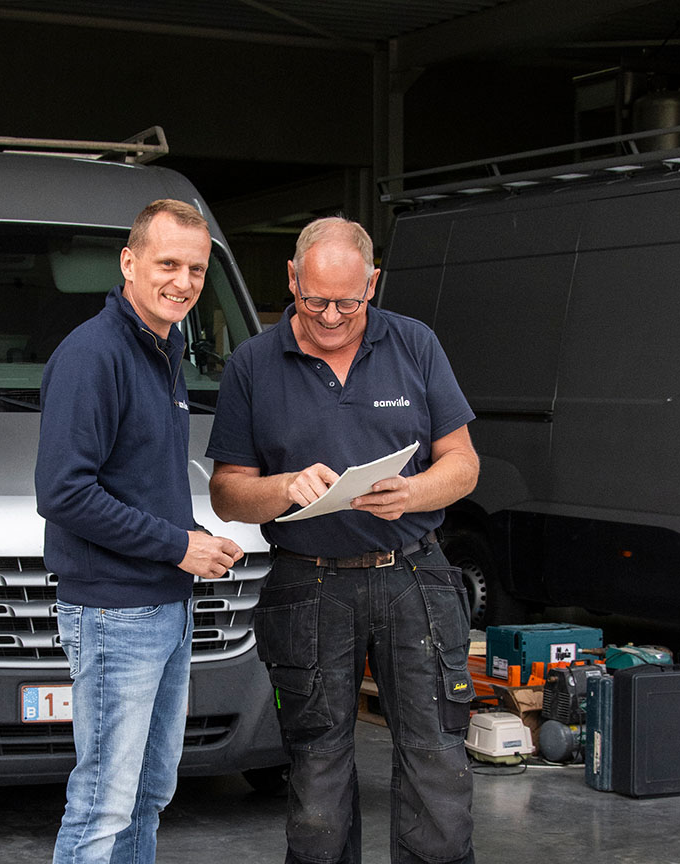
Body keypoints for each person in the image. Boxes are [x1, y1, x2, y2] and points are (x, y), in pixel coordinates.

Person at [206, 216, 480, 864]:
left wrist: (415, 492)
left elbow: (463, 464)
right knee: (318, 775)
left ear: (373, 284)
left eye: (349, 302)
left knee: (437, 763)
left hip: (412, 574)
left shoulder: (415, 345)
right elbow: (226, 491)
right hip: (309, 584)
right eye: (315, 300)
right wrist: (284, 489)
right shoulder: (252, 365)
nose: (331, 316)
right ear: (293, 279)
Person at [35, 198, 244, 864]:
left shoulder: (167, 348)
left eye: (196, 269)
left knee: (150, 792)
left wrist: (197, 536)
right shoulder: (92, 356)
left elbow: (139, 482)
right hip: (112, 612)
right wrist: (178, 545)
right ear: (129, 263)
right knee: (104, 802)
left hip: (166, 603)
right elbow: (63, 492)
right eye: (167, 264)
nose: (183, 282)